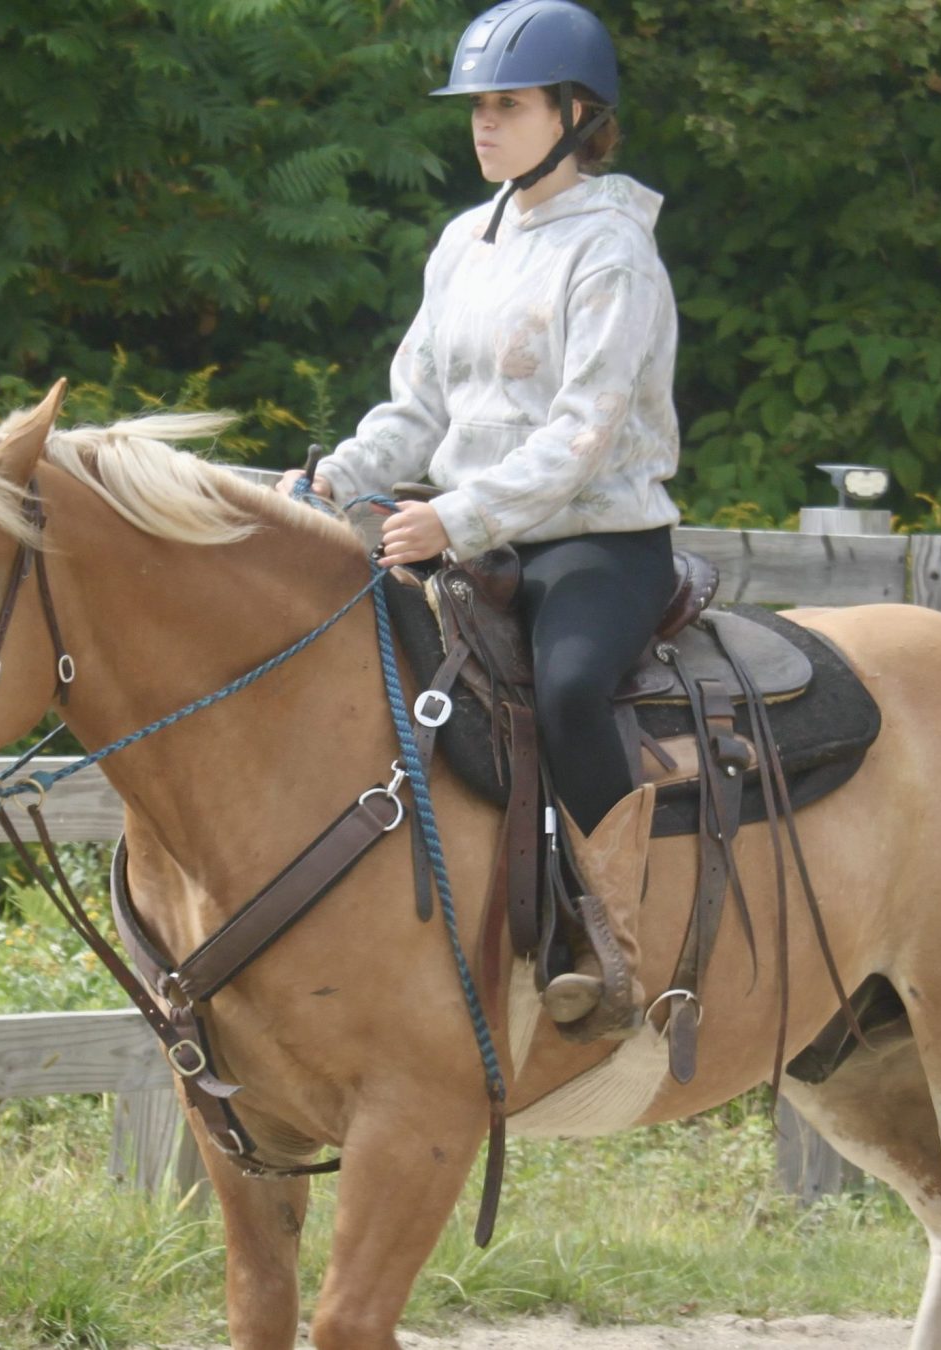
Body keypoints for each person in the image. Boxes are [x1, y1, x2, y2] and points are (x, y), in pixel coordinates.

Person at [277, 0, 680, 1043]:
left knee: (572, 687)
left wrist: (449, 518)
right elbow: (416, 406)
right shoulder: (466, 241)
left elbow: (582, 438)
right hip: (468, 534)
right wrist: (335, 478)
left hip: (594, 543)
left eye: (508, 104)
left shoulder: (616, 254)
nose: (483, 125)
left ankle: (615, 940)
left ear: (577, 113)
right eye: (476, 108)